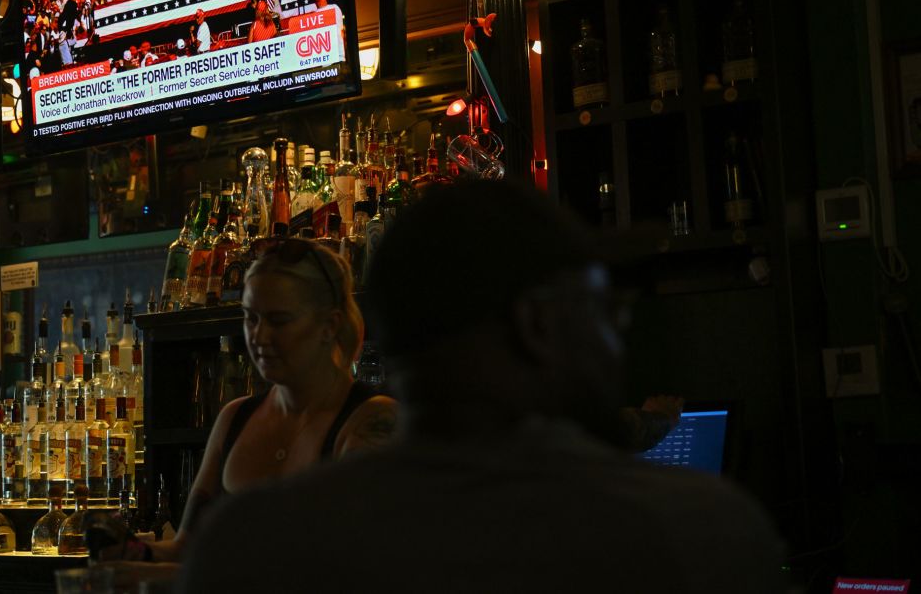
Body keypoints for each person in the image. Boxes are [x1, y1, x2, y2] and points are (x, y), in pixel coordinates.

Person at [178, 180, 785, 594]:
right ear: (537, 325)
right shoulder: (700, 533)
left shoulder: (246, 546)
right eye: (602, 310)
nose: (613, 338)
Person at [96, 239, 396, 587]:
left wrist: (162, 577)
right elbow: (189, 547)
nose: (259, 336)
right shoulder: (235, 417)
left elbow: (338, 569)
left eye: (279, 320)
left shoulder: (370, 421)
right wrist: (132, 553)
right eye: (250, 318)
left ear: (329, 325)